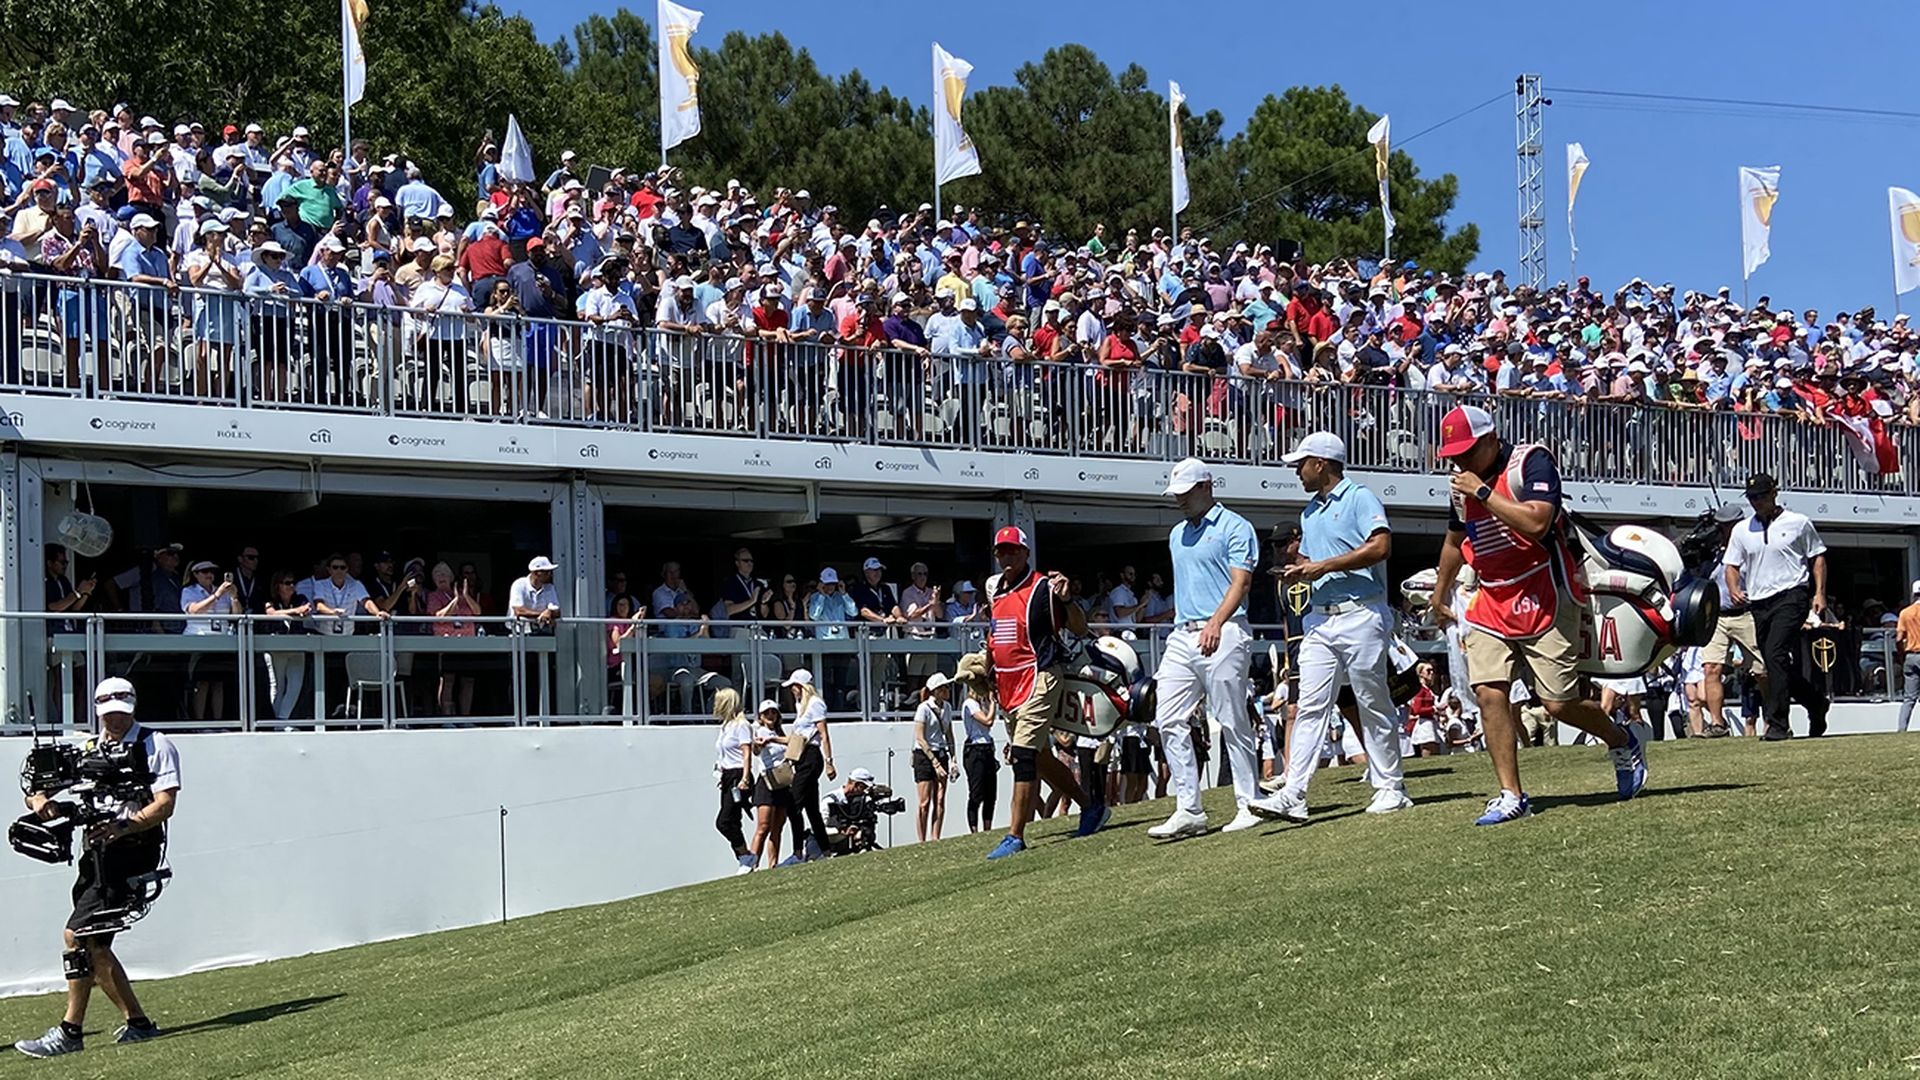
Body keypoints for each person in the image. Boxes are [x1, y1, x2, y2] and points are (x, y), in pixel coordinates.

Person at [1428, 404, 1646, 826]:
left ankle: (1622, 739)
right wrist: (1440, 594)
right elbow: (1455, 541)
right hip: (1491, 597)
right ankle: (1511, 794)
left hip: (1545, 590)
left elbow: (1537, 523)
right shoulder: (1461, 485)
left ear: (1492, 440)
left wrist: (1483, 492)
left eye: (1467, 452)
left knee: (1558, 703)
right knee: (1489, 692)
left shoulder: (1530, 462)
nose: (1460, 461)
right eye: (1453, 455)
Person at [13, 677, 180, 1058]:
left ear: (133, 708)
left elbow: (165, 804)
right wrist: (41, 803)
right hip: (96, 856)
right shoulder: (89, 749)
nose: (115, 720)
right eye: (108, 714)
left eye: (121, 713)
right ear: (98, 711)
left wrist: (125, 826)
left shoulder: (155, 744)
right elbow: (37, 790)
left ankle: (70, 1032)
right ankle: (138, 1023)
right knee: (97, 945)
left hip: (132, 852)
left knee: (78, 936)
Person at [1252, 433, 1412, 823]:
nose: (1297, 472)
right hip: (1320, 619)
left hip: (1361, 613)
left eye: (1301, 464)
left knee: (1372, 702)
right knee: (1309, 705)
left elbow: (1381, 548)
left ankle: (1391, 787)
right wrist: (1298, 569)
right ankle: (1294, 793)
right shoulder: (1309, 513)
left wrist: (1322, 566)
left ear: (1320, 464)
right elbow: (1316, 561)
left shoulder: (1361, 498)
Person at [1148, 459, 1261, 839]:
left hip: (1225, 629)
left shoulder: (1236, 526)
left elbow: (1241, 583)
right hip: (1183, 634)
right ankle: (1189, 809)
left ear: (1206, 487)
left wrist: (1216, 622)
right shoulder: (1176, 533)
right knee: (1167, 717)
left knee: (1232, 719)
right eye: (1176, 494)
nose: (1179, 500)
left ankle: (1249, 802)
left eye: (1185, 493)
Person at [980, 524, 1089, 861]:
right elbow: (997, 636)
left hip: (1040, 675)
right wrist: (988, 669)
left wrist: (1067, 599)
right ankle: (1091, 807)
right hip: (1008, 683)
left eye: (1013, 550)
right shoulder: (995, 590)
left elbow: (1079, 627)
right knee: (1039, 757)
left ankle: (1015, 835)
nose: (1007, 557)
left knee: (1023, 754)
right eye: (1002, 551)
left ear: (1026, 553)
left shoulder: (1044, 588)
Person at [1723, 472, 1830, 740]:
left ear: (1774, 493)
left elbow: (1817, 557)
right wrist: (1734, 588)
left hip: (1791, 595)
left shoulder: (1798, 522)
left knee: (1775, 653)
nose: (1756, 502)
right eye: (1752, 497)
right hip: (1759, 601)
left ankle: (1778, 723)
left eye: (1761, 496)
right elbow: (1731, 565)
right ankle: (1815, 702)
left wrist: (1819, 593)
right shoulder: (1741, 530)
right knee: (1774, 661)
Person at [780, 668, 835, 863]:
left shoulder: (814, 704)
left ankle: (798, 851)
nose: (792, 690)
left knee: (793, 805)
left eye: (794, 686)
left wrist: (829, 762)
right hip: (803, 757)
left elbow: (824, 735)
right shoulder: (801, 706)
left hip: (811, 757)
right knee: (812, 809)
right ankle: (825, 850)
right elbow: (795, 738)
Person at [180, 560, 238, 723]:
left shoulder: (223, 591)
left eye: (212, 572)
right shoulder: (189, 591)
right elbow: (194, 610)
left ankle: (218, 722)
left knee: (218, 683)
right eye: (205, 572)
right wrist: (216, 595)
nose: (209, 575)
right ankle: (200, 722)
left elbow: (236, 615)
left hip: (221, 641)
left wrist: (234, 597)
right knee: (202, 683)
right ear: (195, 574)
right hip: (199, 641)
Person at [743, 699, 792, 872]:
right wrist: (760, 744)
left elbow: (792, 742)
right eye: (766, 713)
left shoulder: (779, 732)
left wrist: (774, 739)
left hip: (782, 781)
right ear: (761, 716)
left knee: (778, 825)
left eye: (773, 712)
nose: (770, 715)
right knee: (763, 826)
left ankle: (773, 864)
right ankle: (752, 864)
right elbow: (756, 750)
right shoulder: (758, 730)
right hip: (767, 780)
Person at [258, 573, 312, 725]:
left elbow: (306, 609)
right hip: (276, 647)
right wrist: (294, 611)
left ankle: (281, 721)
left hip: (297, 646)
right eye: (287, 583)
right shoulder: (270, 600)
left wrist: (300, 610)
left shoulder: (300, 598)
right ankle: (280, 723)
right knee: (277, 685)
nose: (291, 586)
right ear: (278, 586)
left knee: (295, 685)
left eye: (293, 583)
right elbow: (271, 614)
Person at [711, 689, 755, 872]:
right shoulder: (726, 726)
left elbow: (746, 753)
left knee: (724, 821)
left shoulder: (741, 725)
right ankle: (744, 858)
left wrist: (745, 777)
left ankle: (745, 855)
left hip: (738, 774)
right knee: (732, 820)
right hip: (727, 775)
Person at [912, 672, 955, 843]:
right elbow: (920, 738)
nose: (947, 690)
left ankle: (935, 836)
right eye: (944, 688)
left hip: (941, 752)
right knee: (925, 801)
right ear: (936, 690)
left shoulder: (947, 708)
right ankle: (922, 839)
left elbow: (949, 734)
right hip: (924, 755)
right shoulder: (923, 708)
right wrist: (935, 763)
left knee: (940, 798)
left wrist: (953, 759)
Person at [957, 673, 998, 833]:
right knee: (976, 792)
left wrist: (989, 702)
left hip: (987, 747)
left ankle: (987, 827)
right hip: (976, 749)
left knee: (990, 792)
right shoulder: (970, 704)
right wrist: (993, 704)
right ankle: (974, 829)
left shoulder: (982, 703)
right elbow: (988, 721)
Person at [1896, 581, 1920, 734]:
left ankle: (1902, 729)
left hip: (1911, 655)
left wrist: (1901, 654)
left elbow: (1899, 638)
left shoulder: (1905, 613)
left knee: (1909, 698)